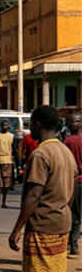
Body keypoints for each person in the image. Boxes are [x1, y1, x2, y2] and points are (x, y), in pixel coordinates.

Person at [9, 105, 76, 272]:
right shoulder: (64, 151)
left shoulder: (40, 154)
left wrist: (17, 229)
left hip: (42, 226)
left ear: (37, 124)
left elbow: (34, 194)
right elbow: (70, 192)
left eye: (31, 124)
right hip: (62, 224)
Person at [63, 110, 81, 256]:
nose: (74, 123)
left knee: (74, 214)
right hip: (74, 180)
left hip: (74, 181)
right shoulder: (67, 141)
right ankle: (73, 243)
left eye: (76, 121)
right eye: (72, 121)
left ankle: (73, 243)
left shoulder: (67, 142)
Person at [0, 120, 16, 209]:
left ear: (8, 126)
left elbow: (14, 150)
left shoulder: (12, 136)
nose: (4, 126)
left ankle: (4, 202)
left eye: (6, 125)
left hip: (8, 161)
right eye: (3, 125)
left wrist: (17, 162)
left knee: (6, 183)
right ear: (1, 126)